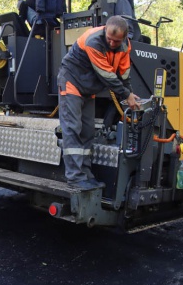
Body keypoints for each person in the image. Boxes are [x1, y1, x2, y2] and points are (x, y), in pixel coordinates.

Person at [58, 16, 140, 190]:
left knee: (87, 131)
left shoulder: (125, 46)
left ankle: (85, 175)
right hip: (72, 82)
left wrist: (130, 93)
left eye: (116, 41)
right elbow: (107, 75)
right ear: (105, 30)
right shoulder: (93, 41)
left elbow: (124, 73)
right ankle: (74, 177)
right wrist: (126, 95)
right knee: (72, 128)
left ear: (125, 38)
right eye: (109, 38)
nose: (111, 43)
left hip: (89, 88)